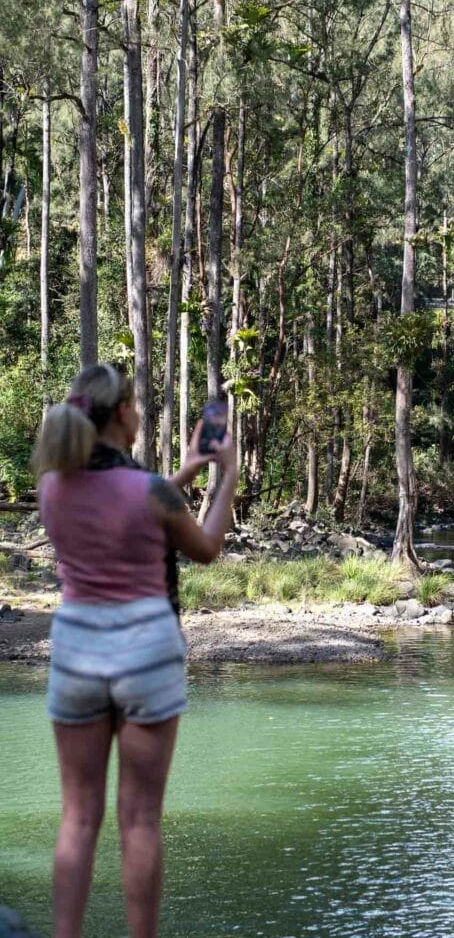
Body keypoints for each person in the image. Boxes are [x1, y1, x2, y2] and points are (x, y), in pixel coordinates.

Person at [33, 363, 236, 938]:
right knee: (140, 820)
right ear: (123, 413)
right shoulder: (147, 492)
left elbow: (127, 503)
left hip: (75, 651)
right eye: (137, 405)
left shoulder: (52, 486)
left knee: (77, 819)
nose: (140, 413)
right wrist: (225, 478)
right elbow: (205, 548)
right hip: (147, 652)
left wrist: (190, 468)